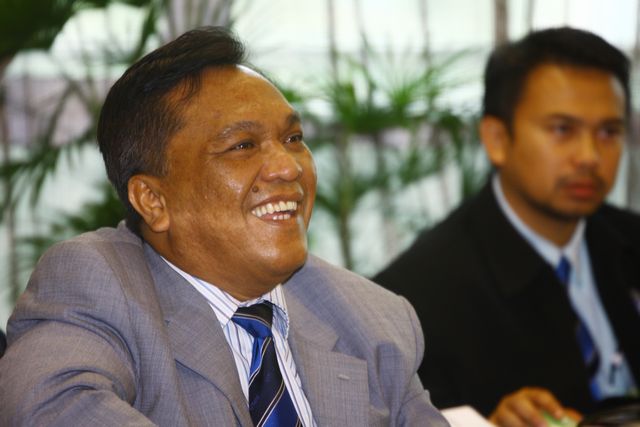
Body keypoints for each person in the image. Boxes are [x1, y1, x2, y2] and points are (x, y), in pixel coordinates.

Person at [0, 27, 448, 426]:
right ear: (153, 200)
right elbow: (48, 408)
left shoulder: (372, 319)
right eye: (242, 146)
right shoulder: (97, 285)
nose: (288, 167)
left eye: (293, 139)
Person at [374, 27, 640, 426]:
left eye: (609, 132)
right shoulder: (413, 299)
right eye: (562, 129)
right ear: (497, 138)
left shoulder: (629, 239)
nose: (589, 156)